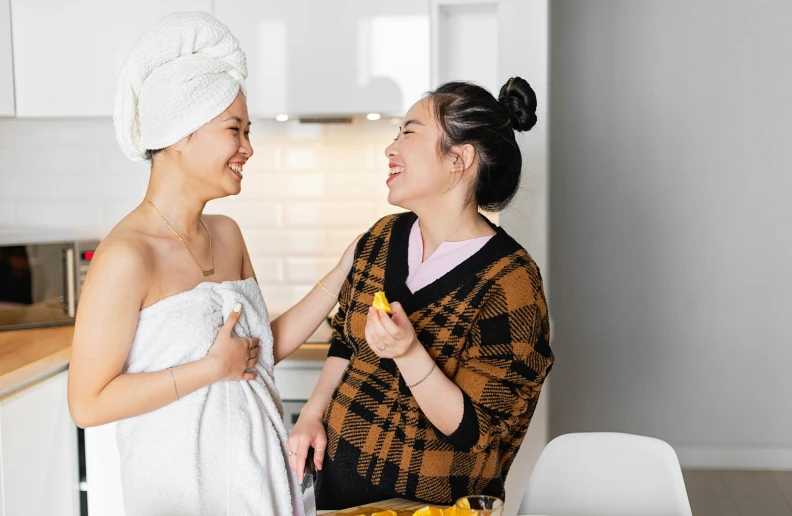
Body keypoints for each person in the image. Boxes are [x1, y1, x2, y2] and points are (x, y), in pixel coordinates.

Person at [67, 12, 356, 515]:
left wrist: (341, 274)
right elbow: (87, 402)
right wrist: (207, 369)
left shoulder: (226, 234)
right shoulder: (126, 257)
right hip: (180, 497)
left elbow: (258, 349)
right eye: (234, 130)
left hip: (258, 488)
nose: (247, 148)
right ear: (181, 135)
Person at [287, 77, 554, 509]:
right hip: (334, 498)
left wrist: (409, 354)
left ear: (459, 158)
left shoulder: (511, 280)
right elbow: (345, 340)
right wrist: (313, 413)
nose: (391, 149)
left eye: (408, 132)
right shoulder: (381, 237)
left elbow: (478, 432)